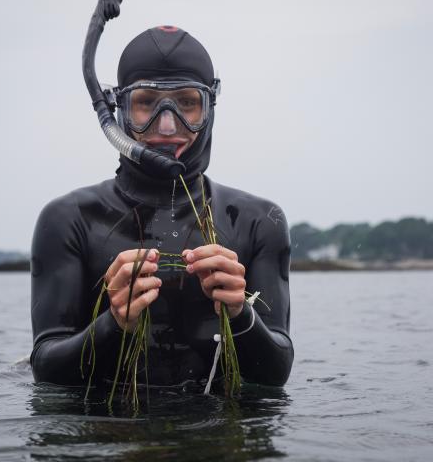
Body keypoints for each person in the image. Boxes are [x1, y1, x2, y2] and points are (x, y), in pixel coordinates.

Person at [30, 26, 293, 389]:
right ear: (119, 109)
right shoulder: (69, 220)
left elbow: (276, 374)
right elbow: (45, 369)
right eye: (146, 104)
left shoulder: (259, 221)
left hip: (218, 439)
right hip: (106, 439)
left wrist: (238, 312)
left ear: (209, 107)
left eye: (187, 103)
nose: (168, 125)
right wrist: (114, 322)